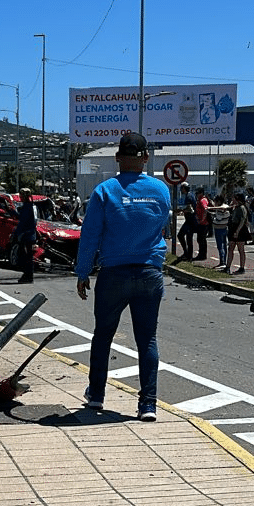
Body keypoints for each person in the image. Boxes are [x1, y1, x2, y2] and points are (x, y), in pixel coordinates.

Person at [75, 133, 170, 422]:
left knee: (103, 335)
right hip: (149, 272)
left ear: (117, 157)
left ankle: (97, 395)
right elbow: (161, 223)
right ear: (145, 158)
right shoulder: (161, 189)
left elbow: (90, 235)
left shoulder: (106, 191)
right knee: (147, 340)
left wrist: (82, 272)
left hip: (113, 273)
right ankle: (147, 404)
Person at [13, 188, 37, 283]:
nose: (20, 197)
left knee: (26, 257)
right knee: (28, 257)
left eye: (21, 195)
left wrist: (16, 234)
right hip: (30, 234)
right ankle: (27, 275)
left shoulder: (27, 206)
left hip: (27, 235)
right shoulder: (32, 206)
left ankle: (28, 276)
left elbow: (23, 222)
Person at [225, 192, 250, 274]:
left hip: (240, 229)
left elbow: (243, 221)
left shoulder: (242, 208)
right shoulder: (235, 207)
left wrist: (237, 231)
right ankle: (227, 266)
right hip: (233, 228)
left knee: (241, 249)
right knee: (230, 248)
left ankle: (242, 267)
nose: (233, 200)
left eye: (234, 198)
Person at [207, 194, 230, 267]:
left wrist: (212, 215)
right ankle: (224, 260)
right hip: (224, 228)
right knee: (224, 245)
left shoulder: (221, 209)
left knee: (220, 246)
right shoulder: (225, 207)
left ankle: (222, 261)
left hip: (219, 229)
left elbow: (218, 218)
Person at [176, 182, 197, 260]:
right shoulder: (189, 195)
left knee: (184, 236)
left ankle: (188, 254)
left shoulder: (189, 196)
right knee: (187, 237)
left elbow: (190, 209)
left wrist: (181, 210)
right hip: (189, 220)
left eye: (181, 188)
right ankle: (187, 254)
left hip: (190, 220)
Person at [193, 186, 210, 260]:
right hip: (200, 222)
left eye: (198, 193)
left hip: (203, 223)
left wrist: (202, 219)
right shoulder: (199, 200)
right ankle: (201, 254)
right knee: (200, 239)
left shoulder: (202, 200)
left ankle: (202, 255)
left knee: (202, 239)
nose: (197, 195)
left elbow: (205, 209)